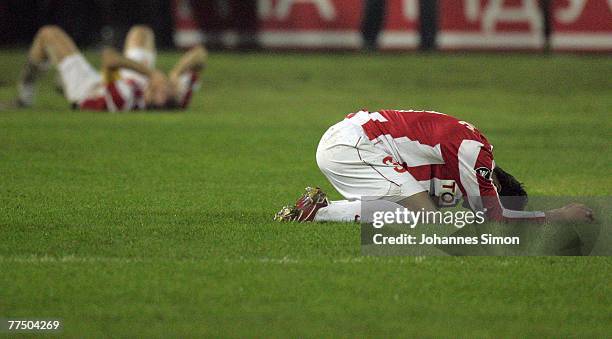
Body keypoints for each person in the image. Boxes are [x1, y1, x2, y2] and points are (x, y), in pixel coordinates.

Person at [275, 109, 594, 224]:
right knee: (425, 215)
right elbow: (495, 216)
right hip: (353, 146)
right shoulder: (477, 157)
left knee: (418, 208)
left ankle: (319, 207)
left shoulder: (463, 156)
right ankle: (319, 213)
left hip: (348, 139)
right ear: (496, 185)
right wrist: (560, 215)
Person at [16, 25, 207, 111]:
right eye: (167, 89)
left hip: (88, 89)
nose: (163, 87)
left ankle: (25, 96)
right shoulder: (177, 97)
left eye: (159, 91)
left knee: (48, 34)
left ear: (151, 99)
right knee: (141, 32)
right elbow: (200, 55)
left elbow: (108, 58)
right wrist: (175, 74)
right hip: (123, 79)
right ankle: (60, 82)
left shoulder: (124, 99)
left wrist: (152, 73)